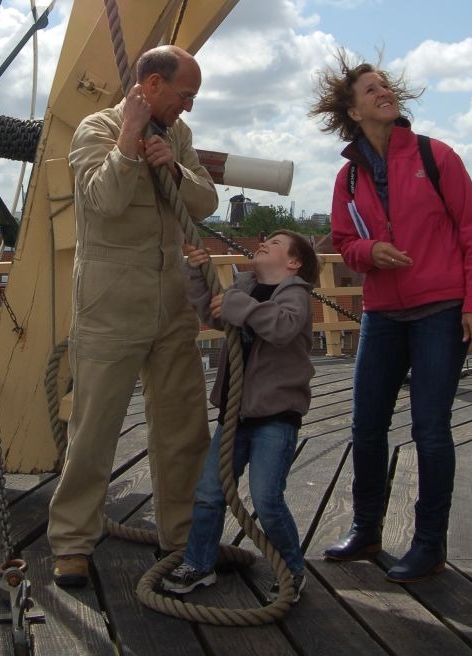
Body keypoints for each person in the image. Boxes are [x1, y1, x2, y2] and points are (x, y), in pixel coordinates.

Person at [308, 50, 472, 583]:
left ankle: (428, 543)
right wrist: (371, 254)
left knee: (431, 430)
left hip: (441, 310)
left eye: (385, 84)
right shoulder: (347, 179)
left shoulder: (437, 157)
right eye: (370, 88)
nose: (383, 91)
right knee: (366, 427)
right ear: (352, 108)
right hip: (384, 315)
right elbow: (344, 243)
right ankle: (366, 530)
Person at [48, 45, 219, 587]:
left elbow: (205, 202)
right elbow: (103, 202)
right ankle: (73, 542)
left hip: (171, 306)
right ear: (150, 85)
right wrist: (129, 139)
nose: (188, 107)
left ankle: (182, 539)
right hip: (109, 307)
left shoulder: (178, 137)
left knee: (184, 428)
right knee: (93, 430)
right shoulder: (94, 131)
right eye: (184, 94)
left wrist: (176, 169)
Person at [162, 231, 319, 604]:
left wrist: (238, 305)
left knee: (266, 499)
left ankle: (292, 569)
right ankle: (199, 562)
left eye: (276, 242)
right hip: (236, 414)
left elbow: (281, 327)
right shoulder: (243, 286)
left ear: (293, 263)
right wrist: (198, 275)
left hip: (275, 416)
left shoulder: (295, 295)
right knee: (208, 494)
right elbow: (213, 312)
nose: (265, 242)